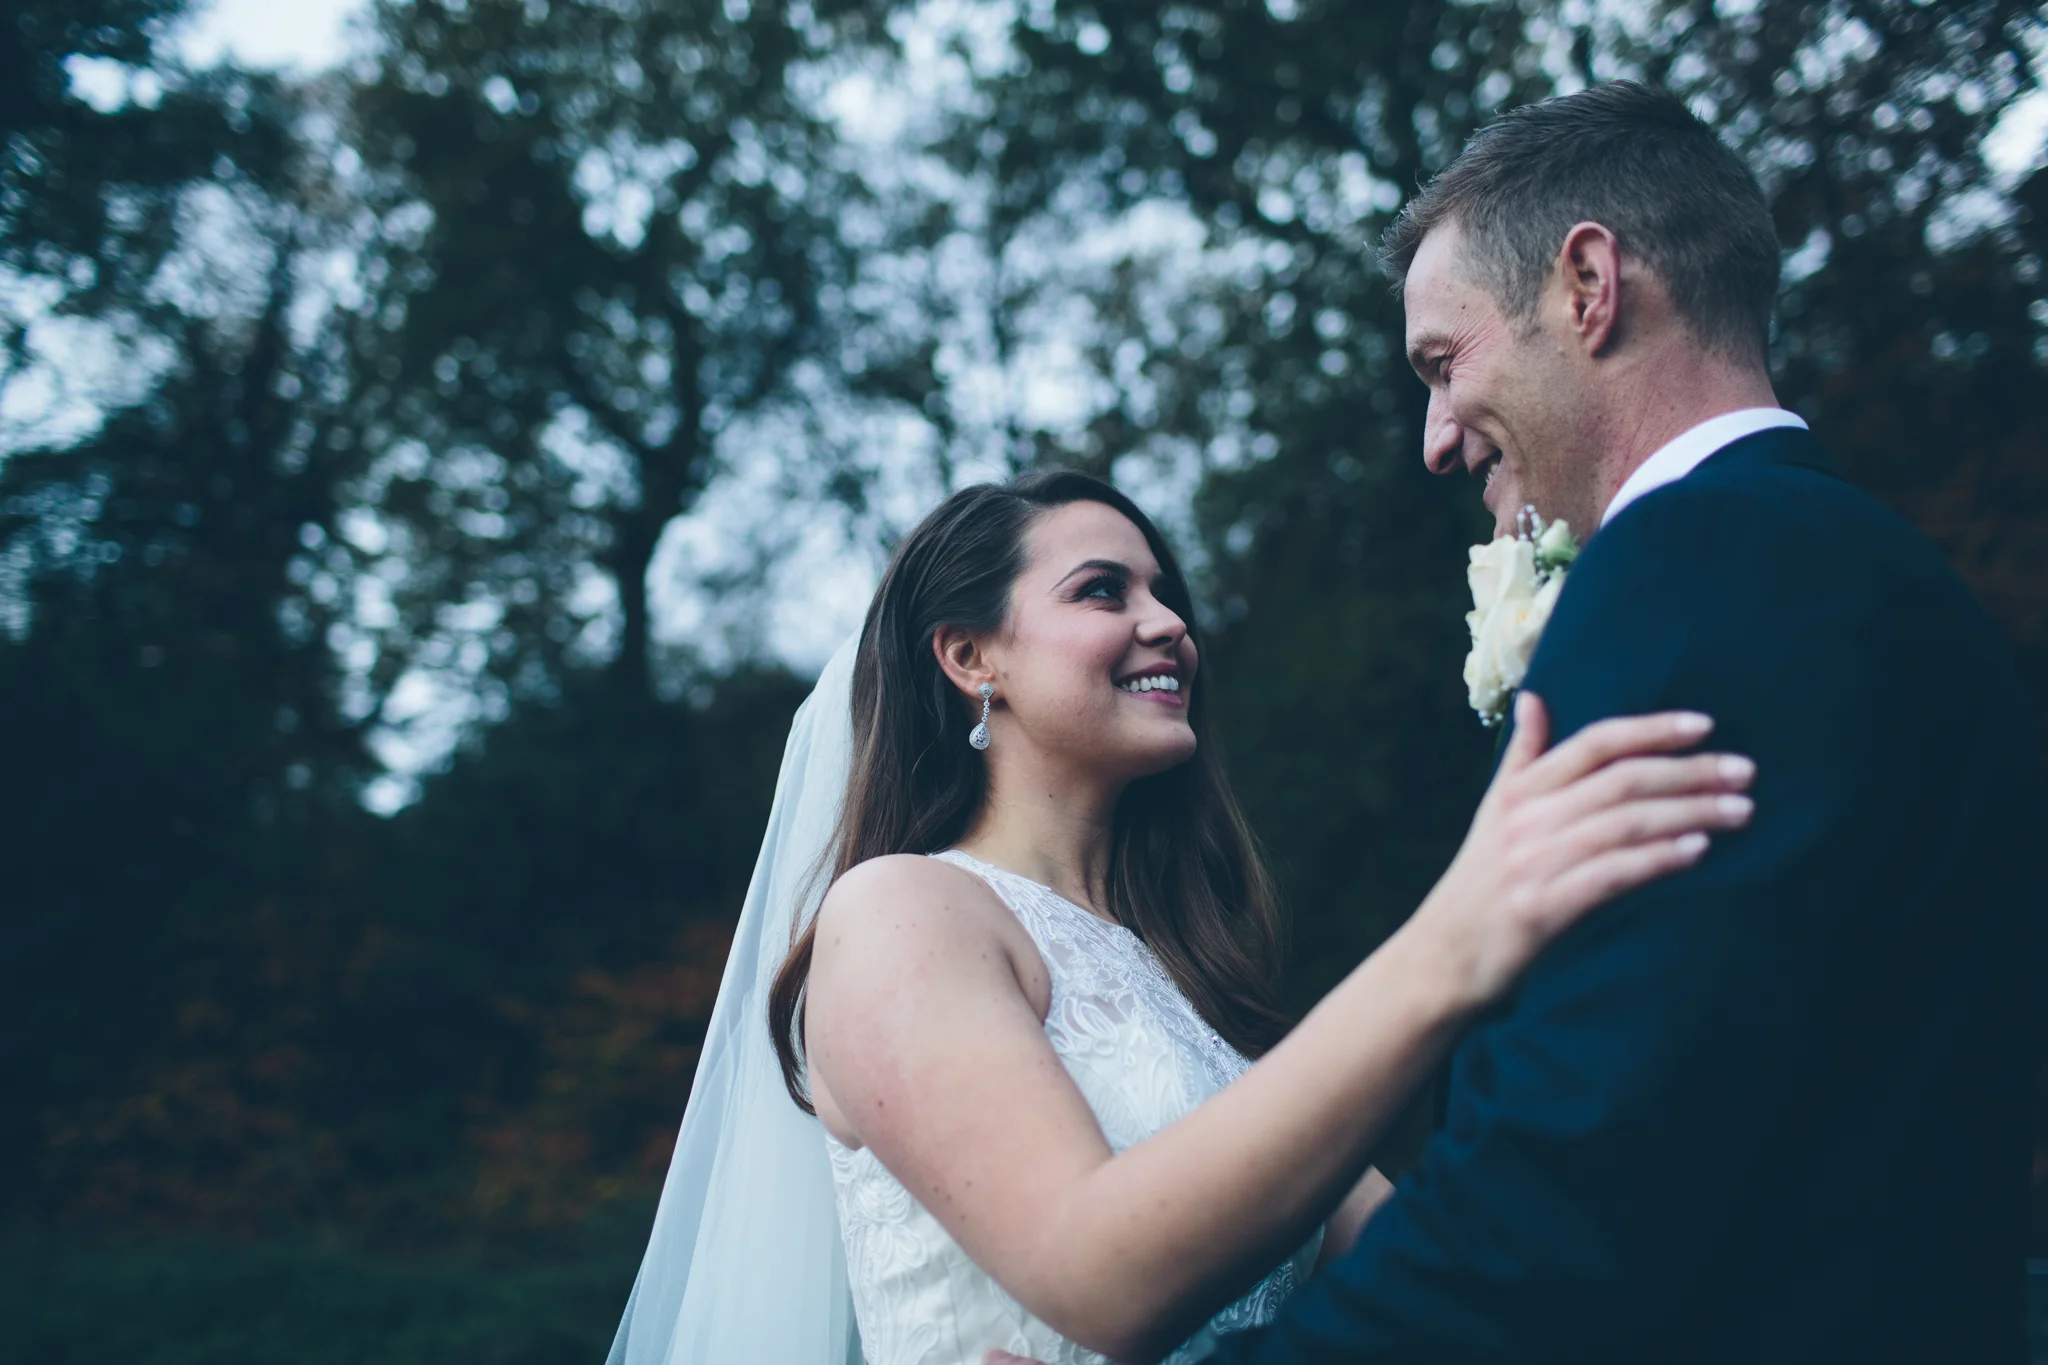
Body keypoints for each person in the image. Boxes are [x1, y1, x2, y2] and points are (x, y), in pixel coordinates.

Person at [1140, 79, 2039, 1365]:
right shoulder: (1897, 584)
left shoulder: (1688, 572)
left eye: (1443, 367)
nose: (1436, 440)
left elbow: (1566, 1195)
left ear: (1586, 285)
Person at [606, 462, 1757, 1365]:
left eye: (1167, 594)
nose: (1168, 624)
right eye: (1102, 591)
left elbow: (1444, 1274)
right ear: (969, 657)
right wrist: (1458, 934)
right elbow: (1101, 1280)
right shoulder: (903, 911)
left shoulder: (1186, 986)